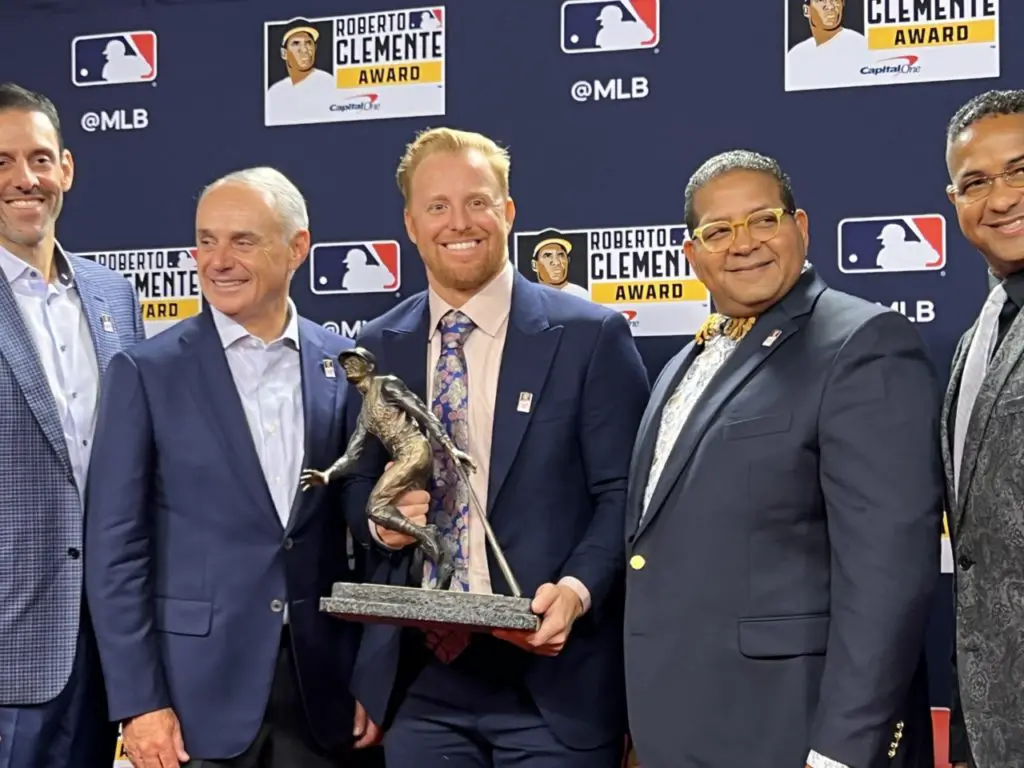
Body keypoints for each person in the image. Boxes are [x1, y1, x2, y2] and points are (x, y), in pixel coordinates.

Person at [624, 149, 943, 768]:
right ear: (692, 256)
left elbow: (888, 570)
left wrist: (846, 748)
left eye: (763, 220)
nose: (743, 244)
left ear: (801, 226)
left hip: (795, 732)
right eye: (718, 231)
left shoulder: (863, 342)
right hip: (681, 726)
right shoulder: (681, 365)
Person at [343, 127, 650, 767]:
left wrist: (577, 589)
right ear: (410, 223)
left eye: (478, 202)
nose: (460, 222)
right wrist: (382, 528)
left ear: (508, 212)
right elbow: (358, 486)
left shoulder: (589, 335)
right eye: (437, 206)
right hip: (421, 683)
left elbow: (622, 493)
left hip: (554, 687)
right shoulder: (380, 344)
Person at [83, 167, 378, 767]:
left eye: (243, 240)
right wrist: (140, 704)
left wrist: (373, 679)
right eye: (206, 240)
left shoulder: (344, 367)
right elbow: (115, 551)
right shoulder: (146, 372)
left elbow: (370, 539)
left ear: (298, 248)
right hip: (193, 703)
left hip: (322, 692)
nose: (218, 260)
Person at [0, 82, 145, 768]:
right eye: (0, 162)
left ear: (67, 169)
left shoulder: (114, 295)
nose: (24, 179)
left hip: (105, 645)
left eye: (38, 159)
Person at [943, 88, 1024, 768]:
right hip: (990, 713)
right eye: (976, 182)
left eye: (1021, 171)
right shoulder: (979, 334)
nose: (1000, 199)